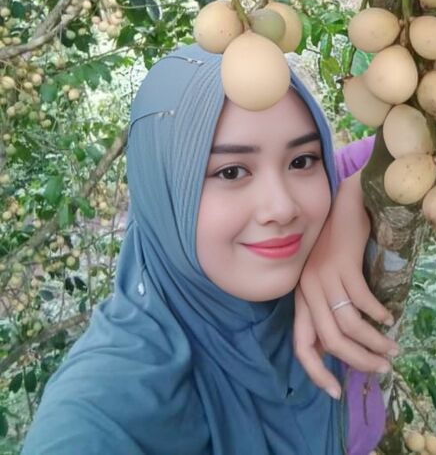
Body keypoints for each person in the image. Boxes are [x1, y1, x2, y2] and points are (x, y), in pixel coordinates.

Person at [22, 44, 396, 454]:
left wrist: (353, 202)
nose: (282, 208)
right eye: (231, 172)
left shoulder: (325, 204)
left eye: (302, 161)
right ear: (163, 190)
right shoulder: (106, 404)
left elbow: (421, 144)